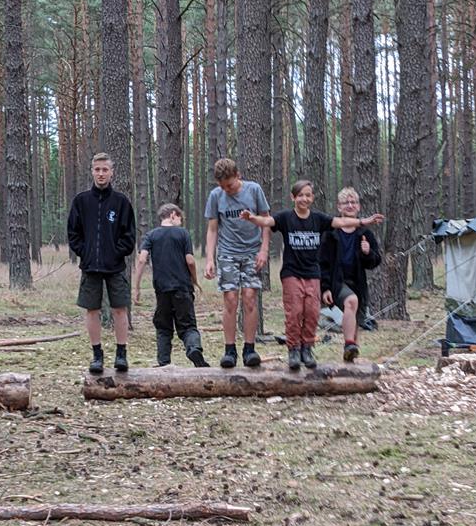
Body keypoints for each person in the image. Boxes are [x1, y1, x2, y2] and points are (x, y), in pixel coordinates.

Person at [241, 180, 384, 370]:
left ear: (312, 198)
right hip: (292, 272)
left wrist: (363, 222)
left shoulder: (319, 219)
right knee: (294, 312)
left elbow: (342, 222)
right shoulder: (286, 217)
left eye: (308, 195)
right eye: (300, 195)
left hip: (315, 274)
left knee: (312, 312)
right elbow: (267, 221)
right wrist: (252, 218)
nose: (304, 199)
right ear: (293, 197)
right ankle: (294, 349)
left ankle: (307, 349)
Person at [67, 152, 136, 374]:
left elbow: (129, 236)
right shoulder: (81, 201)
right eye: (97, 170)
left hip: (115, 266)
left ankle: (121, 354)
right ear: (92, 172)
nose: (101, 174)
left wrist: (116, 253)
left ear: (112, 172)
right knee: (92, 310)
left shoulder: (121, 202)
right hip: (90, 266)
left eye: (105, 170)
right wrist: (85, 252)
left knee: (120, 309)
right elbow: (73, 233)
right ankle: (97, 355)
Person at [204, 158, 270, 368]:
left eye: (230, 185)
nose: (227, 190)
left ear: (238, 176)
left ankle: (249, 349)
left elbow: (266, 221)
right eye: (222, 186)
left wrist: (264, 250)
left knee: (250, 298)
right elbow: (212, 229)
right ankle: (229, 350)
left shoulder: (254, 190)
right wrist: (209, 258)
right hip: (227, 253)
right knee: (230, 299)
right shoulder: (216, 196)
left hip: (252, 252)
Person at [134, 203, 209, 368]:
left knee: (163, 327)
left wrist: (137, 287)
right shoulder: (183, 234)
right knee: (188, 326)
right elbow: (190, 261)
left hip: (162, 289)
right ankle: (193, 349)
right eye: (180, 219)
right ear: (173, 214)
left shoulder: (151, 235)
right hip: (182, 287)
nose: (181, 222)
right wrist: (195, 280)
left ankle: (163, 363)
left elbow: (142, 259)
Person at [319, 187, 382, 362]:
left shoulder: (365, 233)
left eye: (353, 202)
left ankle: (350, 357)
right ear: (339, 207)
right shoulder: (330, 233)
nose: (350, 205)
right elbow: (322, 262)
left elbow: (375, 261)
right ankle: (348, 344)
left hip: (358, 282)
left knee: (356, 317)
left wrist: (367, 252)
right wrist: (325, 288)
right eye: (345, 202)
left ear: (359, 207)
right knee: (351, 301)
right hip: (336, 281)